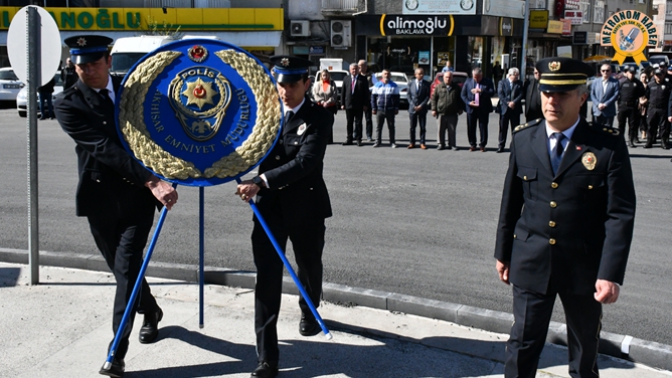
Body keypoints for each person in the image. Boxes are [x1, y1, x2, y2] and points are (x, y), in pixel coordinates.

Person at [494, 57, 636, 378]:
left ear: (582, 97)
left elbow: (620, 214)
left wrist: (610, 273)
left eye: (563, 94)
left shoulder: (606, 146)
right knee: (522, 345)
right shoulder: (523, 139)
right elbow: (511, 202)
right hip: (531, 260)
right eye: (547, 93)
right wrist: (503, 253)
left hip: (583, 267)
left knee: (584, 350)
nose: (552, 101)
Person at [53, 35, 178, 378]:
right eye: (81, 65)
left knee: (125, 271)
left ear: (108, 61)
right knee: (126, 272)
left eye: (94, 63)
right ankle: (151, 311)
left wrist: (175, 172)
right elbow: (104, 148)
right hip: (100, 200)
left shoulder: (135, 91)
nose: (87, 71)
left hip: (137, 201)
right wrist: (153, 180)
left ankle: (116, 353)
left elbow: (165, 131)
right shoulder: (68, 103)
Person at [235, 55, 334, 378]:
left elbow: (306, 162)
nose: (286, 91)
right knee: (266, 280)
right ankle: (267, 357)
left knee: (309, 267)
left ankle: (309, 306)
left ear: (306, 83)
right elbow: (239, 145)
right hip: (268, 210)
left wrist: (261, 180)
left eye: (293, 84)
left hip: (306, 208)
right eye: (281, 84)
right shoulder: (263, 116)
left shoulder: (319, 118)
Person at [461, 67, 495, 152]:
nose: (476, 79)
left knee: (483, 127)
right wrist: (468, 102)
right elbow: (463, 95)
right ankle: (472, 144)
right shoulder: (468, 82)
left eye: (478, 77)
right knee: (471, 127)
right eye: (474, 77)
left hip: (483, 108)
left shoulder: (487, 81)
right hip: (471, 108)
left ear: (481, 75)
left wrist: (481, 91)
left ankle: (482, 145)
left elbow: (492, 92)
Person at [431, 71, 464, 150]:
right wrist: (433, 109)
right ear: (443, 78)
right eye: (446, 77)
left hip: (452, 113)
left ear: (452, 78)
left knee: (452, 130)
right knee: (440, 130)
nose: (448, 79)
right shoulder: (438, 87)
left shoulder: (456, 87)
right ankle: (440, 144)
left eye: (449, 77)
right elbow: (434, 99)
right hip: (441, 112)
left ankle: (452, 144)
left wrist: (460, 108)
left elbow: (460, 99)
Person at [340, 63, 370, 146]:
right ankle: (349, 139)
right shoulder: (346, 78)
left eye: (356, 69)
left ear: (358, 70)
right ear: (350, 70)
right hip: (348, 104)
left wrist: (365, 104)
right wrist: (342, 103)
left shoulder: (363, 79)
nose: (354, 70)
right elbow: (343, 92)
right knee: (349, 123)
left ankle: (358, 139)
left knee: (358, 123)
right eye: (353, 69)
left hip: (359, 105)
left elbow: (366, 93)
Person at [371, 69, 400, 148]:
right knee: (378, 127)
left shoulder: (394, 85)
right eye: (385, 74)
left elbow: (397, 98)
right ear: (382, 75)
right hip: (380, 109)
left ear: (390, 75)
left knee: (391, 127)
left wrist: (396, 108)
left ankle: (392, 142)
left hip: (390, 109)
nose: (386, 75)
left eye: (388, 74)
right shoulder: (377, 85)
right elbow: (373, 98)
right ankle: (378, 142)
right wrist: (373, 108)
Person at [617, 66, 645, 148]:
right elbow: (617, 93)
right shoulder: (622, 82)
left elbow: (642, 93)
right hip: (622, 106)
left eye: (633, 73)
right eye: (630, 73)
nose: (631, 75)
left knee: (632, 125)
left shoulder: (638, 83)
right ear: (627, 73)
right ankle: (620, 140)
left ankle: (631, 140)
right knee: (621, 125)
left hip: (633, 106)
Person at [644, 65, 671, 149]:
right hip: (652, 108)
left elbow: (670, 98)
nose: (659, 76)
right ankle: (649, 141)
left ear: (663, 75)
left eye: (660, 74)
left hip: (663, 108)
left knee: (663, 126)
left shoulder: (668, 85)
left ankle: (663, 142)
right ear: (654, 76)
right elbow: (647, 96)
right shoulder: (650, 85)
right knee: (651, 125)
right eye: (657, 75)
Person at [496, 67, 523, 152]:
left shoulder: (519, 83)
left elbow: (521, 94)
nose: (517, 77)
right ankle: (501, 145)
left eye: (518, 75)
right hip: (504, 108)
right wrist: (508, 103)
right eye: (516, 75)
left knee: (515, 128)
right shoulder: (502, 82)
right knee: (503, 128)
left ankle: (515, 146)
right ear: (510, 75)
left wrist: (514, 102)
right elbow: (500, 94)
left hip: (515, 109)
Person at [312, 69, 338, 144]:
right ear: (321, 76)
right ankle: (321, 138)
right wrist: (322, 101)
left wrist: (328, 102)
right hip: (320, 106)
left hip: (330, 106)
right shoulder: (317, 84)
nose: (325, 76)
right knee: (320, 123)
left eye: (326, 75)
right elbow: (315, 94)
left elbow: (334, 94)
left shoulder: (332, 83)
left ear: (329, 75)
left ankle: (329, 139)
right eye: (323, 75)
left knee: (329, 122)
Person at [590, 63, 620, 127]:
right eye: (603, 70)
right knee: (596, 131)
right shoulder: (595, 82)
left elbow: (616, 95)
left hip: (608, 111)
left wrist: (606, 104)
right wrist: (598, 104)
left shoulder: (615, 82)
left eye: (607, 70)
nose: (605, 72)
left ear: (611, 71)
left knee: (607, 132)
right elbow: (592, 94)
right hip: (597, 111)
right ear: (600, 71)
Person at [407, 67, 431, 149]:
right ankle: (412, 142)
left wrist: (421, 105)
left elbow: (427, 97)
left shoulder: (427, 84)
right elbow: (408, 95)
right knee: (412, 127)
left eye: (422, 73)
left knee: (423, 127)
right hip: (412, 108)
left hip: (422, 108)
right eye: (419, 73)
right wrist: (413, 105)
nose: (421, 75)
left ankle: (422, 142)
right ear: (415, 74)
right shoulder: (411, 83)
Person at [358, 59, 375, 141]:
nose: (359, 67)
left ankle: (369, 135)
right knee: (357, 119)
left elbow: (376, 85)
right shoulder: (356, 75)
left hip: (368, 100)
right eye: (359, 66)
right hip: (358, 100)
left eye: (361, 66)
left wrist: (368, 89)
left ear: (365, 66)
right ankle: (356, 134)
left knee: (368, 119)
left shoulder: (371, 75)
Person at [639, 71, 649, 141]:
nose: (644, 78)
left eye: (645, 77)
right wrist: (640, 101)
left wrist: (645, 101)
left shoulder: (649, 86)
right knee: (640, 119)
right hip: (639, 105)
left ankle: (645, 131)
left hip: (647, 104)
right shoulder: (638, 85)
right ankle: (642, 131)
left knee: (646, 119)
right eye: (642, 77)